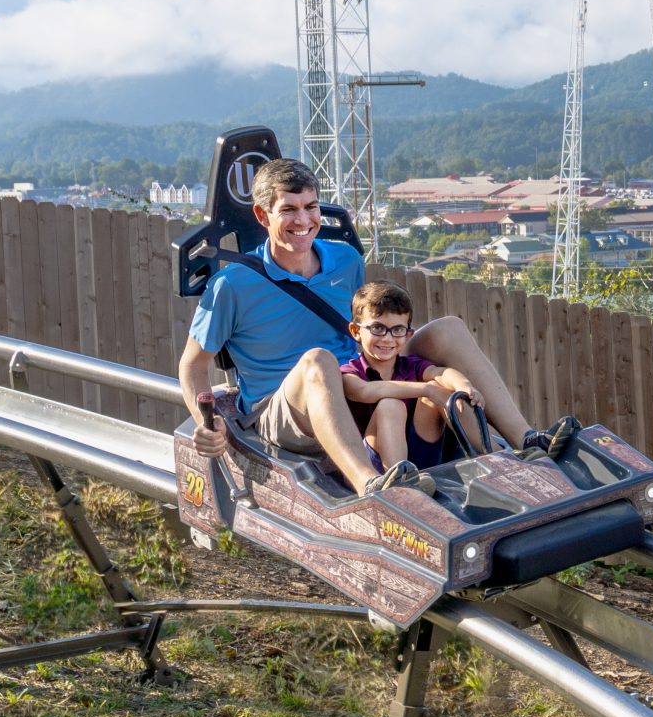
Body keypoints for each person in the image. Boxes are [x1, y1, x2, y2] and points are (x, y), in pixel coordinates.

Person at [179, 156, 534, 492]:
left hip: (356, 382)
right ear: (262, 216)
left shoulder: (346, 259)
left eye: (310, 207)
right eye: (288, 209)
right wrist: (204, 422)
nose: (303, 221)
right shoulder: (232, 285)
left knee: (448, 328)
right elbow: (192, 365)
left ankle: (528, 442)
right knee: (319, 360)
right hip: (284, 409)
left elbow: (363, 329)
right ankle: (369, 484)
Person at [339, 280, 466, 473]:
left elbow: (440, 373)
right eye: (377, 328)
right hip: (377, 465)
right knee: (391, 404)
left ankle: (488, 454)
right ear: (356, 331)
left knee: (440, 387)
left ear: (408, 335)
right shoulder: (351, 372)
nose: (387, 338)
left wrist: (463, 385)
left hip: (422, 456)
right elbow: (364, 391)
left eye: (397, 330)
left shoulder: (411, 366)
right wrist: (427, 389)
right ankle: (400, 479)